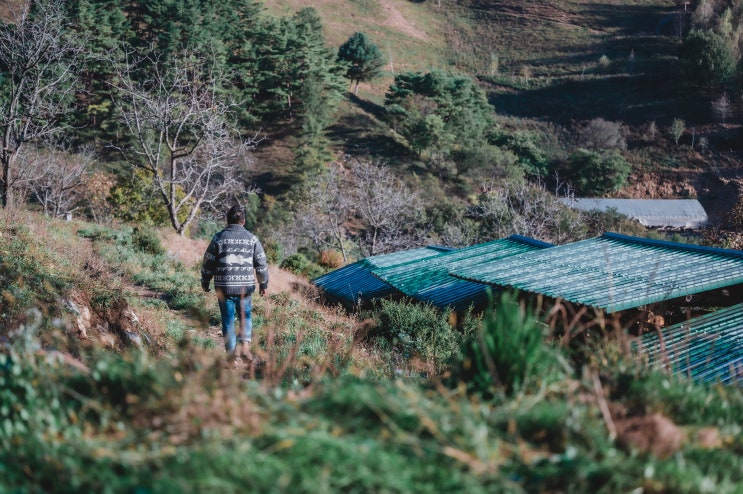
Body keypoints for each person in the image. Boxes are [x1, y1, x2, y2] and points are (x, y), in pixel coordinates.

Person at [201, 205, 268, 365]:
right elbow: (261, 263)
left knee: (228, 320)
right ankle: (245, 348)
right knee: (245, 316)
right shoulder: (252, 239)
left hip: (223, 287)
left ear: (227, 220)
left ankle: (231, 357)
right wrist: (263, 283)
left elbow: (208, 260)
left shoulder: (219, 238)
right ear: (243, 221)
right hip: (245, 287)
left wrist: (205, 280)